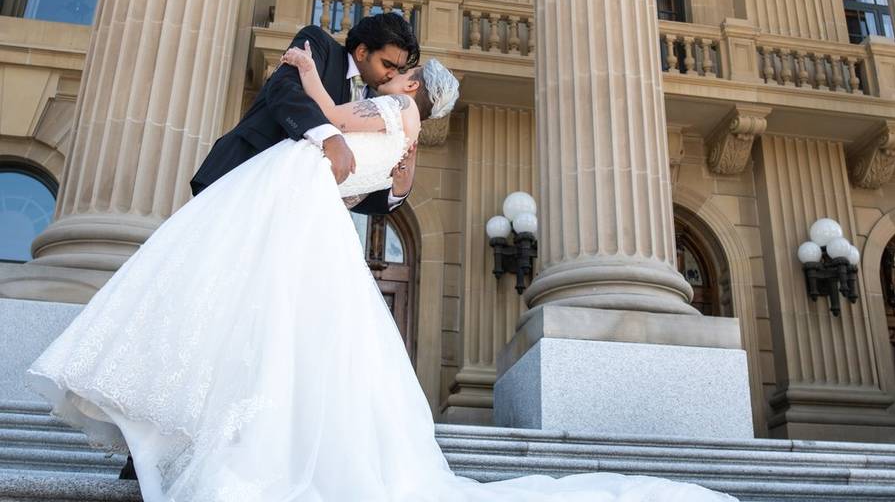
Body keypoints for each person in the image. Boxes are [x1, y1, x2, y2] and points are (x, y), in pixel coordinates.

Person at [26, 48, 735, 501]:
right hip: (321, 217)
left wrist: (305, 73)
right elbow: (383, 190)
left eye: (403, 72)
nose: (393, 75)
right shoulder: (411, 142)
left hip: (292, 199)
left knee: (238, 294)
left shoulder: (392, 107)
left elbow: (332, 114)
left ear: (415, 84)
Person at [190, 12, 421, 214]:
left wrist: (398, 191)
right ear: (362, 52)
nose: (392, 74)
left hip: (289, 210)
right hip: (240, 176)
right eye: (387, 64)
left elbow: (350, 176)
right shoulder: (318, 44)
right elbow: (283, 91)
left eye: (398, 70)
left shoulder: (375, 104)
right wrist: (330, 136)